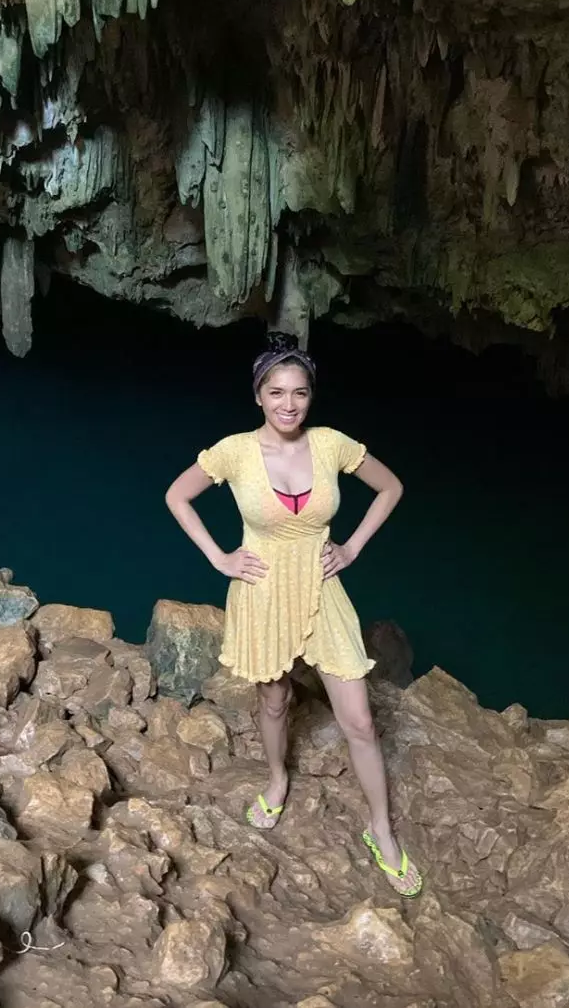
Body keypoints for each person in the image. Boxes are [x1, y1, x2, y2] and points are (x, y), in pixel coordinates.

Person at [164, 331, 422, 897]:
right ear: (258, 394)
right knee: (274, 699)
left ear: (311, 397)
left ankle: (381, 828)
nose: (288, 404)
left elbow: (390, 486)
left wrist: (351, 547)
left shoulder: (330, 444)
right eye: (276, 392)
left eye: (299, 393)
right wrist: (220, 558)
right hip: (261, 589)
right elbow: (177, 496)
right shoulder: (233, 451)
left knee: (358, 718)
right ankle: (278, 780)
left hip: (322, 589)